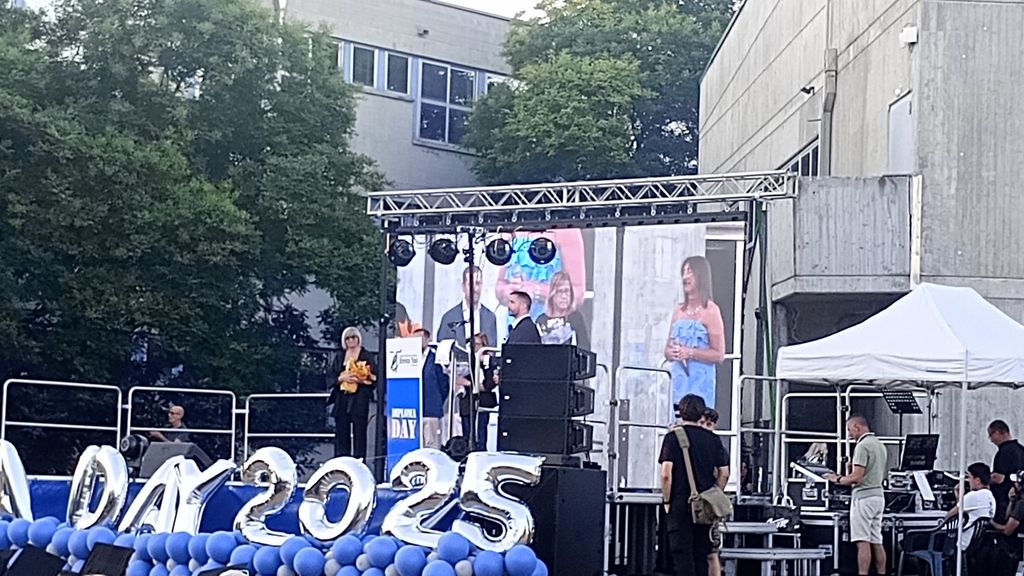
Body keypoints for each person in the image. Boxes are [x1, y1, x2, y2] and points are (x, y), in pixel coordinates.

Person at [659, 394, 730, 576]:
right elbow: (724, 473)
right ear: (701, 414)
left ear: (681, 413)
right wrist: (715, 493)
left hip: (680, 502)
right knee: (702, 554)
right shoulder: (713, 439)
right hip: (705, 504)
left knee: (682, 554)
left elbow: (666, 474)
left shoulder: (672, 438)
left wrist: (667, 501)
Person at [825, 416, 887, 576]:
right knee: (877, 540)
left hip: (863, 498)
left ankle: (863, 573)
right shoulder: (879, 444)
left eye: (849, 429)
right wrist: (850, 469)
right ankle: (882, 572)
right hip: (878, 496)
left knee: (862, 541)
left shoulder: (862, 446)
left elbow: (856, 478)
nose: (849, 434)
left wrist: (837, 478)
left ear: (857, 427)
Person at [664, 256, 725, 409]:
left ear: (700, 276)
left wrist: (690, 353)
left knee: (698, 416)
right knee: (679, 417)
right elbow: (667, 348)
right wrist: (671, 353)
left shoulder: (711, 311)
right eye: (684, 272)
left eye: (690, 271)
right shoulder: (678, 311)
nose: (685, 277)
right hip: (679, 380)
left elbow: (719, 354)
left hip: (701, 381)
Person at [327, 326, 376, 459]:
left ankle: (359, 461)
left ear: (358, 339)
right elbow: (331, 376)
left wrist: (359, 380)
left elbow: (374, 378)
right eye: (347, 338)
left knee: (359, 432)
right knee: (341, 431)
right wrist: (341, 378)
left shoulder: (367, 356)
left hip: (359, 398)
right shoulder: (340, 356)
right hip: (342, 398)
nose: (350, 341)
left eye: (353, 337)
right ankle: (342, 460)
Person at [456, 332, 498, 450]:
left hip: (483, 402)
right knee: (467, 432)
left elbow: (490, 383)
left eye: (478, 344)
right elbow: (458, 379)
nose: (475, 347)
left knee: (481, 432)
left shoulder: (489, 362)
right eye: (473, 344)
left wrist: (471, 384)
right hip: (466, 402)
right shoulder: (465, 360)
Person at [437, 266, 498, 346]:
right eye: (471, 284)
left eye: (478, 283)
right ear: (463, 286)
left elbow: (492, 349)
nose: (475, 289)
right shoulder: (449, 318)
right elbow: (442, 349)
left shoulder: (490, 318)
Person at [945, 462, 996, 550]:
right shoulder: (990, 497)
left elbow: (950, 515)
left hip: (961, 542)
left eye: (969, 477)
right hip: (975, 544)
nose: (968, 480)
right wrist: (959, 497)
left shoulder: (974, 495)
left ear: (977, 480)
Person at [536, 271, 591, 350]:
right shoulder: (541, 320)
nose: (564, 296)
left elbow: (584, 348)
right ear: (552, 294)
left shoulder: (576, 318)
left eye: (567, 291)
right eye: (560, 291)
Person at [415, 328, 448, 449]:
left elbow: (444, 384)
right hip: (413, 411)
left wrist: (437, 400)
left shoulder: (436, 359)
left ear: (427, 339)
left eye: (420, 338)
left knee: (430, 445)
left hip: (430, 410)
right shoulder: (409, 359)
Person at [988, 420, 1024, 523]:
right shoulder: (1021, 449)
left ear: (997, 433)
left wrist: (983, 478)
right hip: (1019, 499)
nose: (991, 440)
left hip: (1003, 501)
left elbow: (998, 478)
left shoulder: (1004, 452)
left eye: (991, 435)